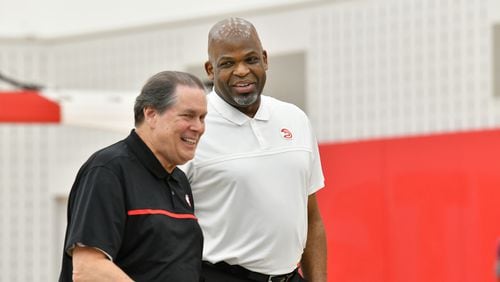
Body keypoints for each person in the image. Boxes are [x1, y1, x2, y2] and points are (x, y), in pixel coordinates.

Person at [181, 17, 327, 282]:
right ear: (210, 70)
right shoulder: (192, 128)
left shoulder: (295, 118)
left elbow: (312, 216)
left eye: (250, 59)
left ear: (265, 59)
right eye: (227, 63)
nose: (241, 71)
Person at [59, 71, 208, 282]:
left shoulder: (179, 181)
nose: (199, 127)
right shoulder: (107, 170)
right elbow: (88, 270)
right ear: (151, 114)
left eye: (202, 118)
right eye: (188, 116)